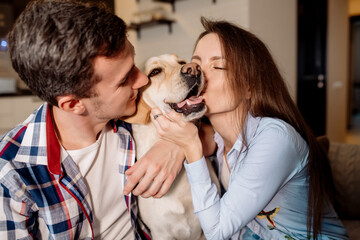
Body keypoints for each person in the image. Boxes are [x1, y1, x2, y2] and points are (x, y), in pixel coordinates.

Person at [151, 17, 349, 240]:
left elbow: (217, 230)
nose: (196, 73)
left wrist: (190, 147)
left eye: (217, 66)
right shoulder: (217, 139)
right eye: (195, 65)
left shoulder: (275, 138)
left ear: (249, 87)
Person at [0, 0, 184, 239]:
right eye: (124, 79)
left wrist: (174, 143)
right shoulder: (11, 175)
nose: (142, 81)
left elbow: (210, 126)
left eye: (133, 64)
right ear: (74, 104)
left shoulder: (129, 112)